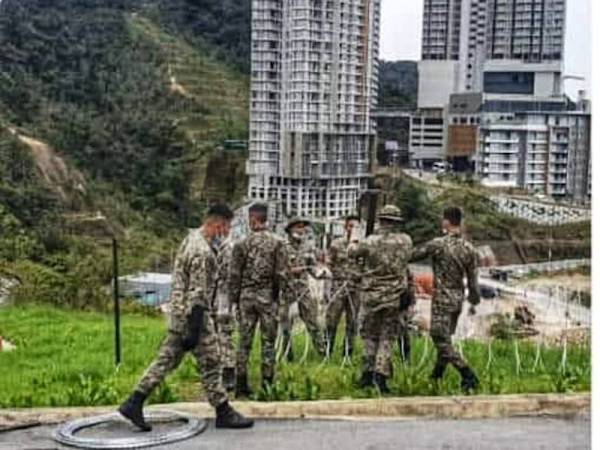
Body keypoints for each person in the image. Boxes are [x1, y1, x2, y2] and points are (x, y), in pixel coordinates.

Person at [118, 204, 253, 431]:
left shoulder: (190, 239)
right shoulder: (203, 253)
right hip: (195, 317)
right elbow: (198, 295)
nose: (228, 233)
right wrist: (194, 329)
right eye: (227, 227)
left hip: (179, 313)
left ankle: (135, 401)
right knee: (212, 361)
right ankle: (223, 411)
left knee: (166, 359)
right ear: (218, 225)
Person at [410, 206, 481, 393]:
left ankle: (467, 373)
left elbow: (413, 254)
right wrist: (474, 299)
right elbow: (473, 282)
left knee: (439, 338)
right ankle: (436, 376)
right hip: (458, 299)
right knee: (446, 338)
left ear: (447, 222)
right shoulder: (469, 249)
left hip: (442, 299)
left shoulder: (438, 244)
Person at [350, 205, 413, 393]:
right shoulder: (406, 241)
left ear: (381, 221)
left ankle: (367, 374)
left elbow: (351, 252)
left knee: (369, 336)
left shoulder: (370, 242)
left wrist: (354, 236)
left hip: (372, 297)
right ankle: (381, 375)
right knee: (387, 338)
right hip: (394, 297)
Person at [229, 203, 287, 396]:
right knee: (268, 342)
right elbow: (281, 274)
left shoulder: (241, 243)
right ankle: (267, 384)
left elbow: (234, 275)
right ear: (265, 218)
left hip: (246, 298)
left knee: (244, 342)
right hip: (267, 297)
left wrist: (234, 300)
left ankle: (241, 385)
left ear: (252, 219)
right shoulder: (277, 243)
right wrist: (276, 296)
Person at [282, 217, 327, 358]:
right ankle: (286, 354)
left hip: (303, 290)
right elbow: (276, 269)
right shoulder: (282, 247)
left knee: (313, 322)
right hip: (286, 290)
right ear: (290, 230)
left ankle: (323, 354)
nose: (301, 230)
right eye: (298, 227)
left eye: (303, 227)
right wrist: (289, 271)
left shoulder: (307, 247)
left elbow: (312, 267)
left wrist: (320, 274)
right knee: (285, 325)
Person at [326, 215, 361, 358]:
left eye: (357, 227)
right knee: (332, 320)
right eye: (351, 226)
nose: (354, 230)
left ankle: (348, 353)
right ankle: (327, 351)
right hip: (339, 287)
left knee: (352, 322)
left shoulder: (363, 246)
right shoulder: (336, 244)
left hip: (355, 288)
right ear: (346, 227)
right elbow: (329, 263)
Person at [214, 237, 237, 394]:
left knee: (224, 334)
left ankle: (228, 371)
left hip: (223, 296)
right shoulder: (209, 244)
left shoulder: (227, 247)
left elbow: (228, 275)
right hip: (215, 296)